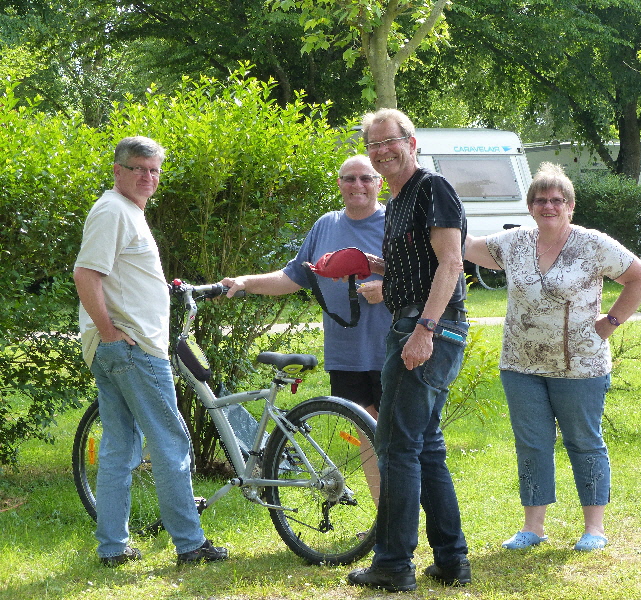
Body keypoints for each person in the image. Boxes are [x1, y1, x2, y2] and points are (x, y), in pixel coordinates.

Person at [464, 161, 641, 552]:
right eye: (540, 200)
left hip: (580, 365)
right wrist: (438, 220)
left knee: (584, 442)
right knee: (532, 443)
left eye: (556, 200)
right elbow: (465, 246)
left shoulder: (593, 243)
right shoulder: (513, 242)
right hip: (521, 364)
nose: (548, 206)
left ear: (570, 205)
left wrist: (611, 321)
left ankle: (594, 529)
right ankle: (532, 528)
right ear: (530, 206)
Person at [74, 136, 228, 566]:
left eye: (154, 170)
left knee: (120, 449)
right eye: (139, 168)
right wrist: (108, 331)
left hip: (122, 349)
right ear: (118, 171)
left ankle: (112, 548)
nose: (148, 177)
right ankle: (190, 545)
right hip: (132, 349)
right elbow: (85, 273)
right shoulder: (112, 211)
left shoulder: (125, 212)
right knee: (171, 443)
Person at [347, 109, 471, 593]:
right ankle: (450, 560)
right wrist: (378, 263)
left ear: (411, 142)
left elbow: (452, 263)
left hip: (426, 330)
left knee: (395, 445)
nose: (381, 152)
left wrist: (424, 329)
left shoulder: (431, 187)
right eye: (373, 145)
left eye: (389, 142)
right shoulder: (398, 200)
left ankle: (394, 565)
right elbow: (419, 259)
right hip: (415, 324)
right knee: (426, 447)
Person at [220, 155, 390, 422]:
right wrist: (246, 282)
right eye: (350, 178)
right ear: (339, 184)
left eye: (366, 178)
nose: (358, 184)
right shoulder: (326, 225)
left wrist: (387, 289)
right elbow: (293, 276)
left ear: (379, 184)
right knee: (366, 436)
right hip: (345, 354)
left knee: (397, 439)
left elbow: (424, 279)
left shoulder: (394, 223)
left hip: (390, 350)